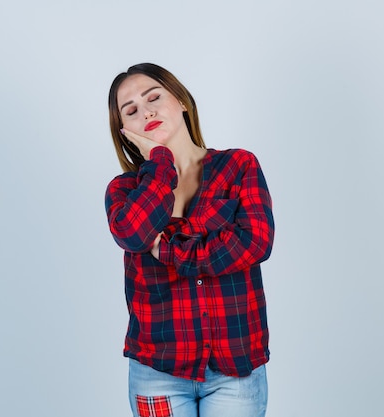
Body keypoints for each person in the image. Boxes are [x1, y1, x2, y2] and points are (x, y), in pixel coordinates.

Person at [104, 63, 275, 417]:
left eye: (154, 98)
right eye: (131, 110)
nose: (146, 111)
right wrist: (160, 162)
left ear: (181, 100)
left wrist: (166, 248)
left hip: (236, 370)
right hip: (157, 373)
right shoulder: (124, 190)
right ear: (124, 132)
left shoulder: (239, 166)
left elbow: (256, 242)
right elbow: (134, 234)